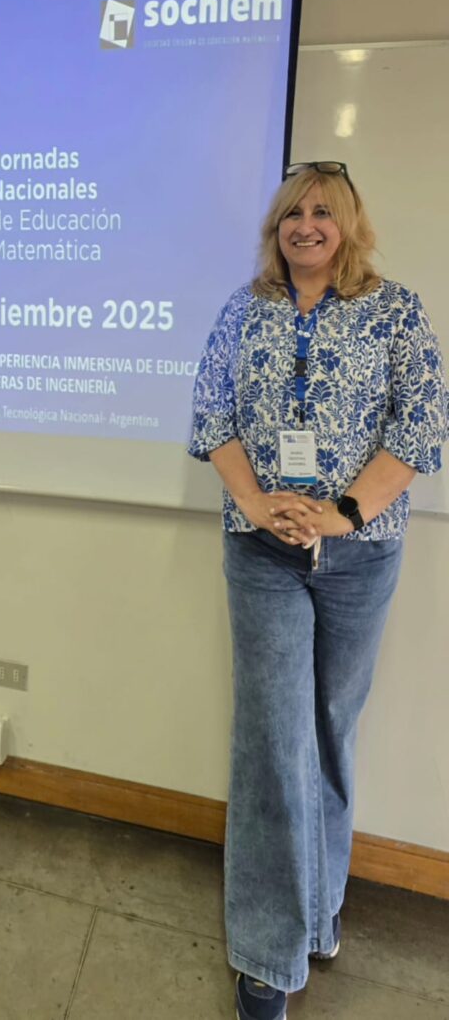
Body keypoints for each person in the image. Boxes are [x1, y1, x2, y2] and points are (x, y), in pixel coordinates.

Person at [188, 161, 448, 1020]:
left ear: (349, 225)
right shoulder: (244, 309)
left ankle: (319, 906)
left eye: (324, 212)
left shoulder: (396, 311)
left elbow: (423, 424)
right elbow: (212, 416)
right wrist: (256, 502)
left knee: (330, 730)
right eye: (293, 212)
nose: (307, 224)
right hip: (262, 552)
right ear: (276, 227)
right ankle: (270, 953)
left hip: (359, 554)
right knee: (274, 739)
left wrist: (341, 513)